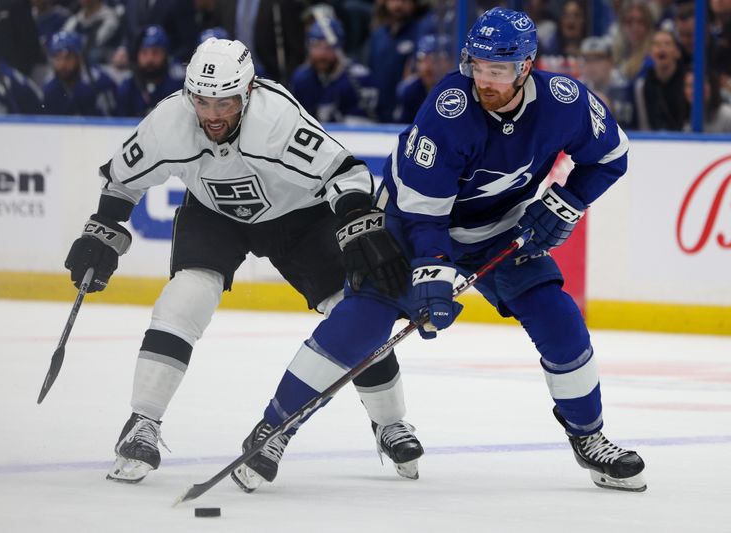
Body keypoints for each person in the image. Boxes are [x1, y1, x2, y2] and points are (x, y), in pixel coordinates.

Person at [232, 7, 647, 494]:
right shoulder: (448, 109)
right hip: (410, 224)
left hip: (499, 230)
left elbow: (611, 157)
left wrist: (569, 202)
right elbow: (425, 213)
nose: (484, 81)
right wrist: (433, 275)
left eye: (498, 71)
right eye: (477, 66)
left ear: (527, 67)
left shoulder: (566, 102)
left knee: (559, 319)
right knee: (358, 324)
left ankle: (589, 437)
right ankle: (273, 429)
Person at [63, 37, 424, 485]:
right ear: (188, 94)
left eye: (226, 102)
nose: (213, 115)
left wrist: (356, 221)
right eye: (203, 101)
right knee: (187, 295)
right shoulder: (169, 121)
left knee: (351, 311)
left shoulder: (278, 119)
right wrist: (102, 228)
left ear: (249, 92)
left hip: (300, 216)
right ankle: (142, 423)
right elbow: (121, 180)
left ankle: (389, 422)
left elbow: (345, 172)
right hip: (214, 214)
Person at [290, 16, 378, 123]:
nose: (321, 54)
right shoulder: (301, 79)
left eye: (328, 47)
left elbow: (359, 131)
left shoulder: (360, 79)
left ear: (340, 48)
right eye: (316, 46)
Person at [41, 30, 116, 116]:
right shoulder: (49, 87)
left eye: (68, 58)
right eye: (57, 58)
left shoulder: (99, 82)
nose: (62, 64)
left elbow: (111, 119)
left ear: (79, 58)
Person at [114, 25, 182, 117]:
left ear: (166, 55)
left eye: (156, 52)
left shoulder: (179, 86)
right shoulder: (128, 87)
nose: (150, 59)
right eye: (144, 53)